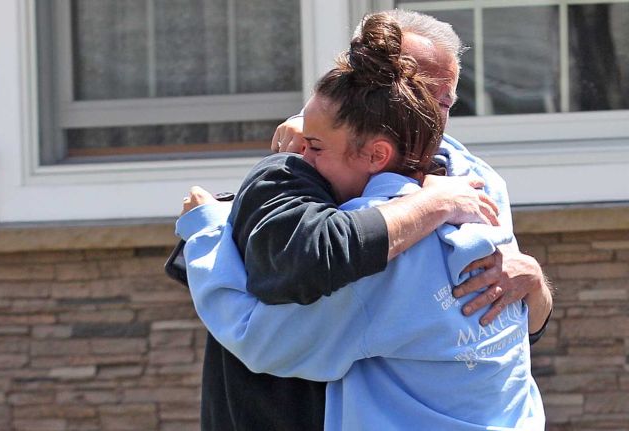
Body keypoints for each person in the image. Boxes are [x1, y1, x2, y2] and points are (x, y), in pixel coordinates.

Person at [180, 10, 553, 431]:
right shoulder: (471, 183)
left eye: (439, 101)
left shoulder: (467, 191)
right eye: (398, 86)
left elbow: (258, 340)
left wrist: (206, 231)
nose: (419, 112)